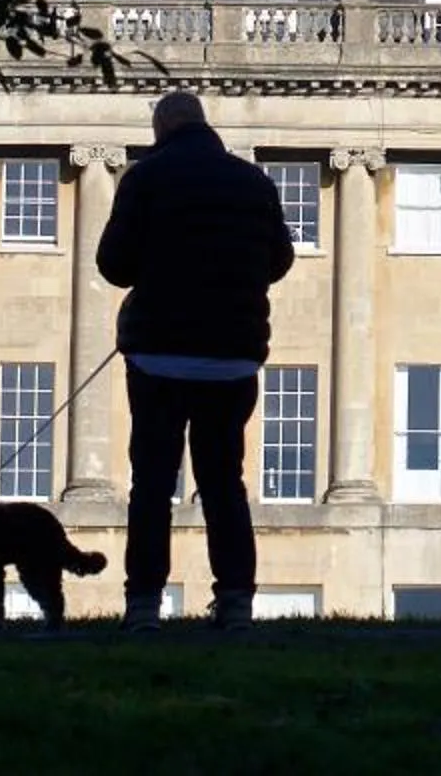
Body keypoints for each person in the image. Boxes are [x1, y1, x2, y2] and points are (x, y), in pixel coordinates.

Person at [95, 89, 296, 633]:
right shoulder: (252, 182)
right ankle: (235, 601)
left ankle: (143, 606)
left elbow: (113, 264)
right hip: (231, 357)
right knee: (223, 481)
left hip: (159, 354)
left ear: (161, 130)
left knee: (154, 483)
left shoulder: (145, 178)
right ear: (205, 126)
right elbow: (280, 259)